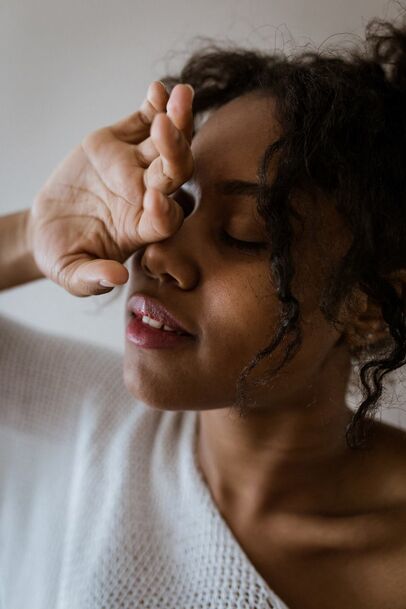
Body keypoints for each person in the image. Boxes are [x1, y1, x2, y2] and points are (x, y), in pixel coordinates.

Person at [1, 13, 406, 609]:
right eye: (172, 201)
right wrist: (35, 233)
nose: (159, 251)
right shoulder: (89, 423)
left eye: (244, 234)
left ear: (368, 306)